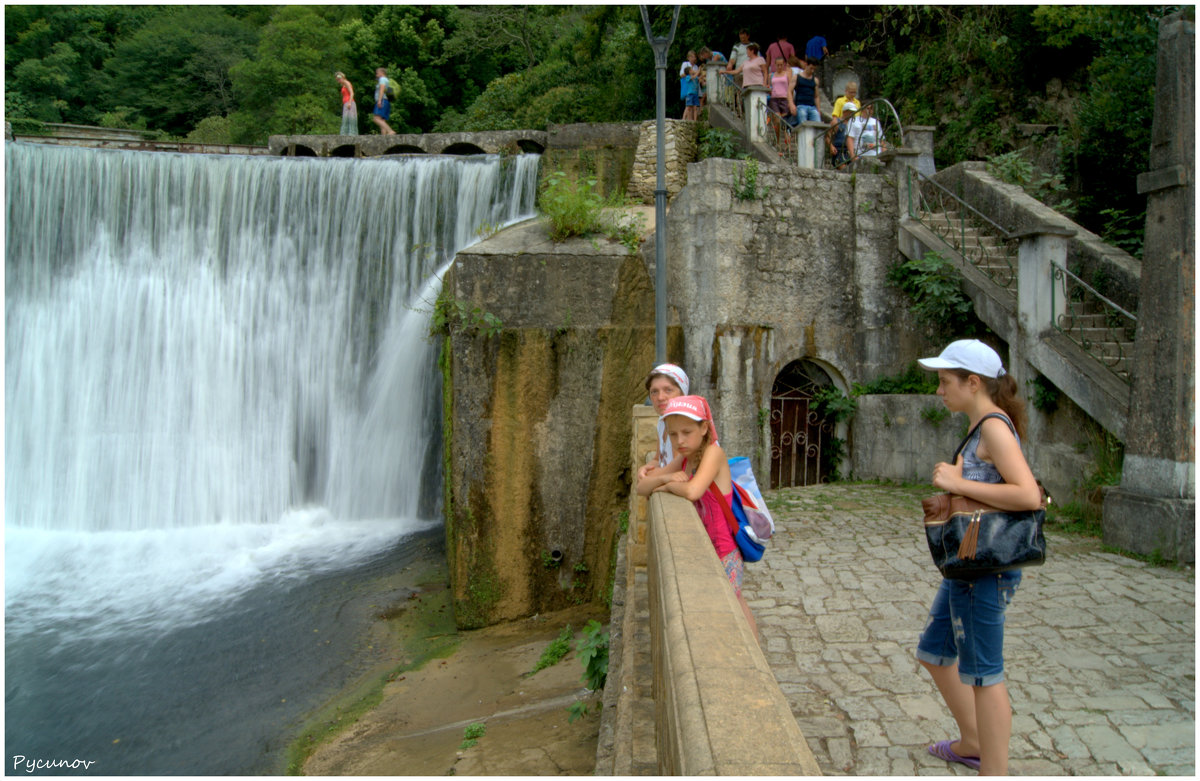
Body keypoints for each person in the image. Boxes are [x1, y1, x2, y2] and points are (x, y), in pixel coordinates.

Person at [914, 339, 1042, 776]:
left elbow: (1028, 496)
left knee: (985, 676)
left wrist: (958, 482)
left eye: (945, 381)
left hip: (985, 570)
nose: (939, 390)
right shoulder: (984, 425)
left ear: (973, 383)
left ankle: (995, 770)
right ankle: (972, 742)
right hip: (969, 565)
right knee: (934, 652)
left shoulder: (993, 428)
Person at [637, 395, 757, 637]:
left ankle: (755, 657)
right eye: (673, 434)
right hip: (705, 548)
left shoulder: (714, 453)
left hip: (724, 550)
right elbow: (641, 488)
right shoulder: (685, 457)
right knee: (732, 603)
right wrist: (664, 478)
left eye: (686, 432)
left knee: (731, 607)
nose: (680, 440)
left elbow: (692, 491)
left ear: (704, 428)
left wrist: (667, 486)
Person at [635, 364, 690, 489]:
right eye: (654, 392)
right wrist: (644, 468)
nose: (660, 397)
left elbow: (677, 472)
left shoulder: (684, 426)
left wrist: (651, 478)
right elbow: (657, 459)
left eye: (668, 390)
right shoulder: (663, 421)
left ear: (682, 393)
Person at [789, 55, 821, 124]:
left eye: (814, 69)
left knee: (818, 123)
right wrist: (791, 105)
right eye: (811, 68)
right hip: (800, 106)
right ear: (806, 65)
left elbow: (816, 96)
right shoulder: (796, 77)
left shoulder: (815, 80)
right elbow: (789, 91)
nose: (812, 71)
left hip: (812, 107)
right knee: (803, 123)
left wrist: (818, 110)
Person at [827, 101, 855, 169]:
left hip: (851, 151)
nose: (852, 114)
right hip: (839, 151)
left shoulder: (854, 123)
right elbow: (828, 136)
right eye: (850, 112)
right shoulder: (836, 122)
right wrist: (831, 146)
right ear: (845, 111)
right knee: (843, 169)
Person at [371, 67, 396, 135]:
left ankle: (390, 131)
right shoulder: (387, 80)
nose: (376, 75)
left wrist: (379, 100)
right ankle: (383, 138)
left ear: (382, 73)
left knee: (376, 119)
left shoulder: (382, 79)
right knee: (382, 121)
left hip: (382, 100)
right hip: (386, 101)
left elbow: (381, 90)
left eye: (377, 73)